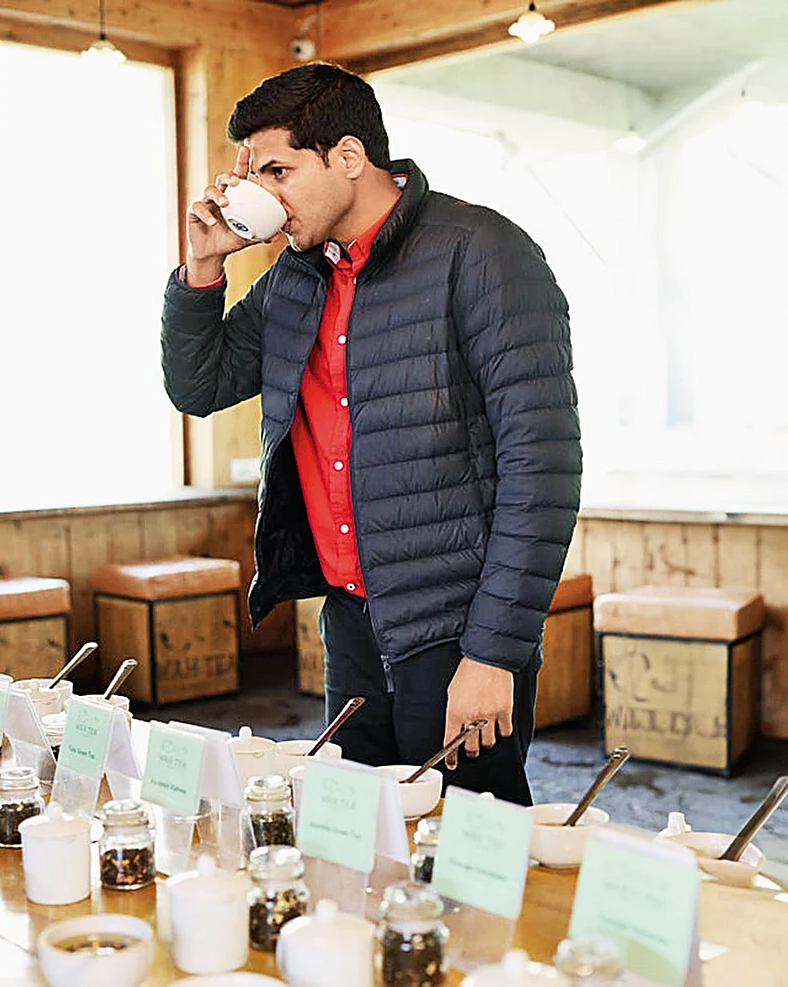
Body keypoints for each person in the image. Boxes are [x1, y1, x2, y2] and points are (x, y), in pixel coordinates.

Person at [161, 63, 581, 804]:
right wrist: (201, 265)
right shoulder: (295, 274)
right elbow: (201, 386)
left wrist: (494, 652)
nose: (260, 194)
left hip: (456, 631)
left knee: (466, 868)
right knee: (354, 844)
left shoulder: (482, 252)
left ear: (348, 158)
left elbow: (540, 470)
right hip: (350, 623)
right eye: (254, 174)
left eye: (277, 170)